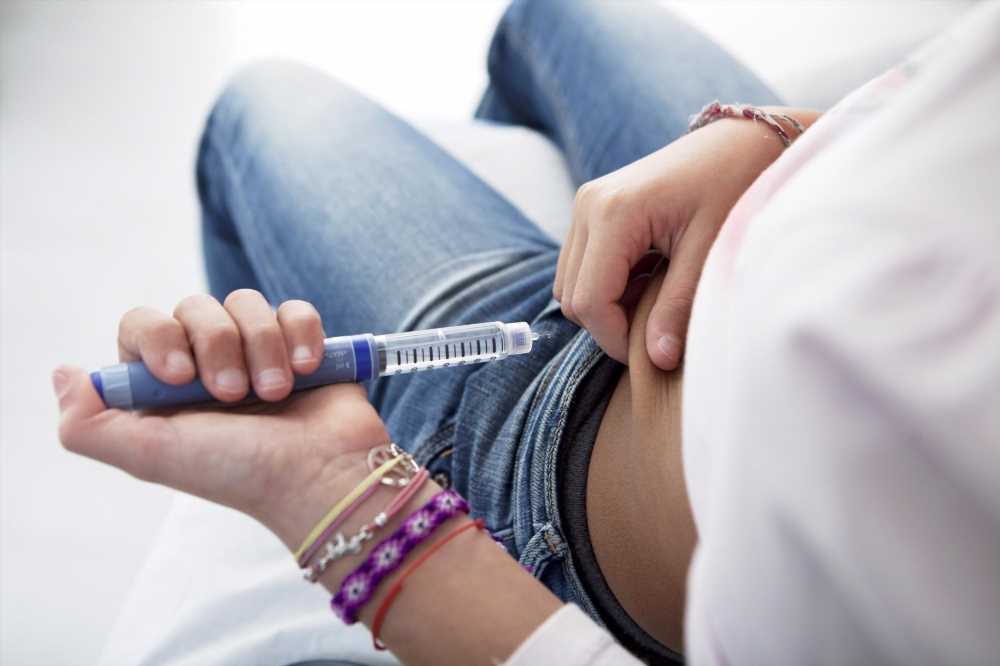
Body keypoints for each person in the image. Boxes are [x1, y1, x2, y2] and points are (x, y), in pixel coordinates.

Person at [54, 1, 1000, 664]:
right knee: (554, 12)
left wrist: (341, 497)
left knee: (262, 106)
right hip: (745, 196)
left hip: (564, 447)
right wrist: (781, 133)